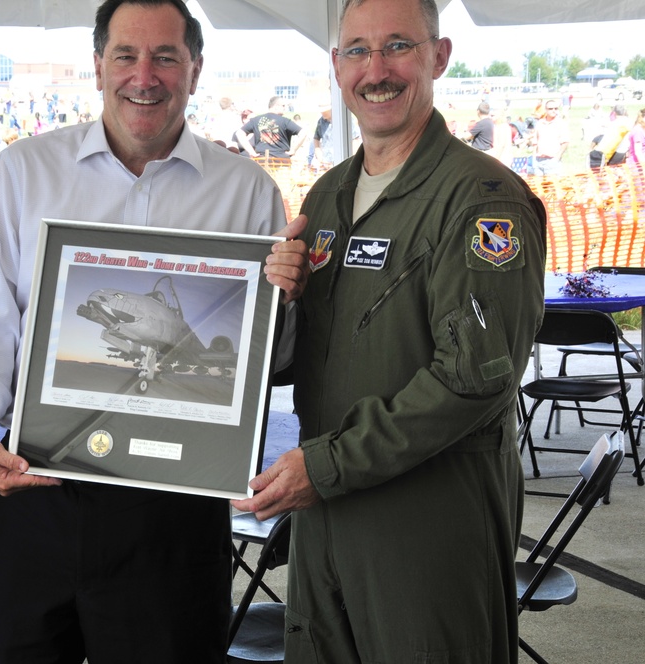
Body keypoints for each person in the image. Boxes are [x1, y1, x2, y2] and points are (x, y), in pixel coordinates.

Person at [0, 1, 309, 662]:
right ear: (98, 64)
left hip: (173, 508)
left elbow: (265, 356)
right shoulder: (26, 170)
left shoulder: (246, 190)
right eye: (127, 56)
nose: (146, 75)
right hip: (37, 486)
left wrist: (289, 297)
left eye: (166, 56)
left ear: (194, 69)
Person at [231, 0, 547, 662]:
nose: (376, 70)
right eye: (357, 51)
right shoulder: (326, 199)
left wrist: (326, 466)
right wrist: (275, 305)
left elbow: (475, 378)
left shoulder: (482, 200)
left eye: (398, 46)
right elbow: (309, 357)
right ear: (337, 66)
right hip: (324, 516)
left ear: (438, 56)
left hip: (426, 523)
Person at [235, 95, 309, 163]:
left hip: (262, 160)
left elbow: (239, 133)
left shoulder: (256, 120)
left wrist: (252, 152)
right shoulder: (285, 121)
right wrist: (293, 150)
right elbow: (303, 133)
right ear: (276, 106)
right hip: (281, 161)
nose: (285, 108)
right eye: (283, 106)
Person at [531, 98, 569, 175]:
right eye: (550, 109)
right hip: (539, 160)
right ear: (546, 110)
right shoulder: (540, 123)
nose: (553, 110)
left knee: (551, 186)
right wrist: (534, 159)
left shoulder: (561, 124)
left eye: (556, 108)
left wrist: (557, 158)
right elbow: (535, 142)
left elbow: (565, 143)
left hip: (552, 161)